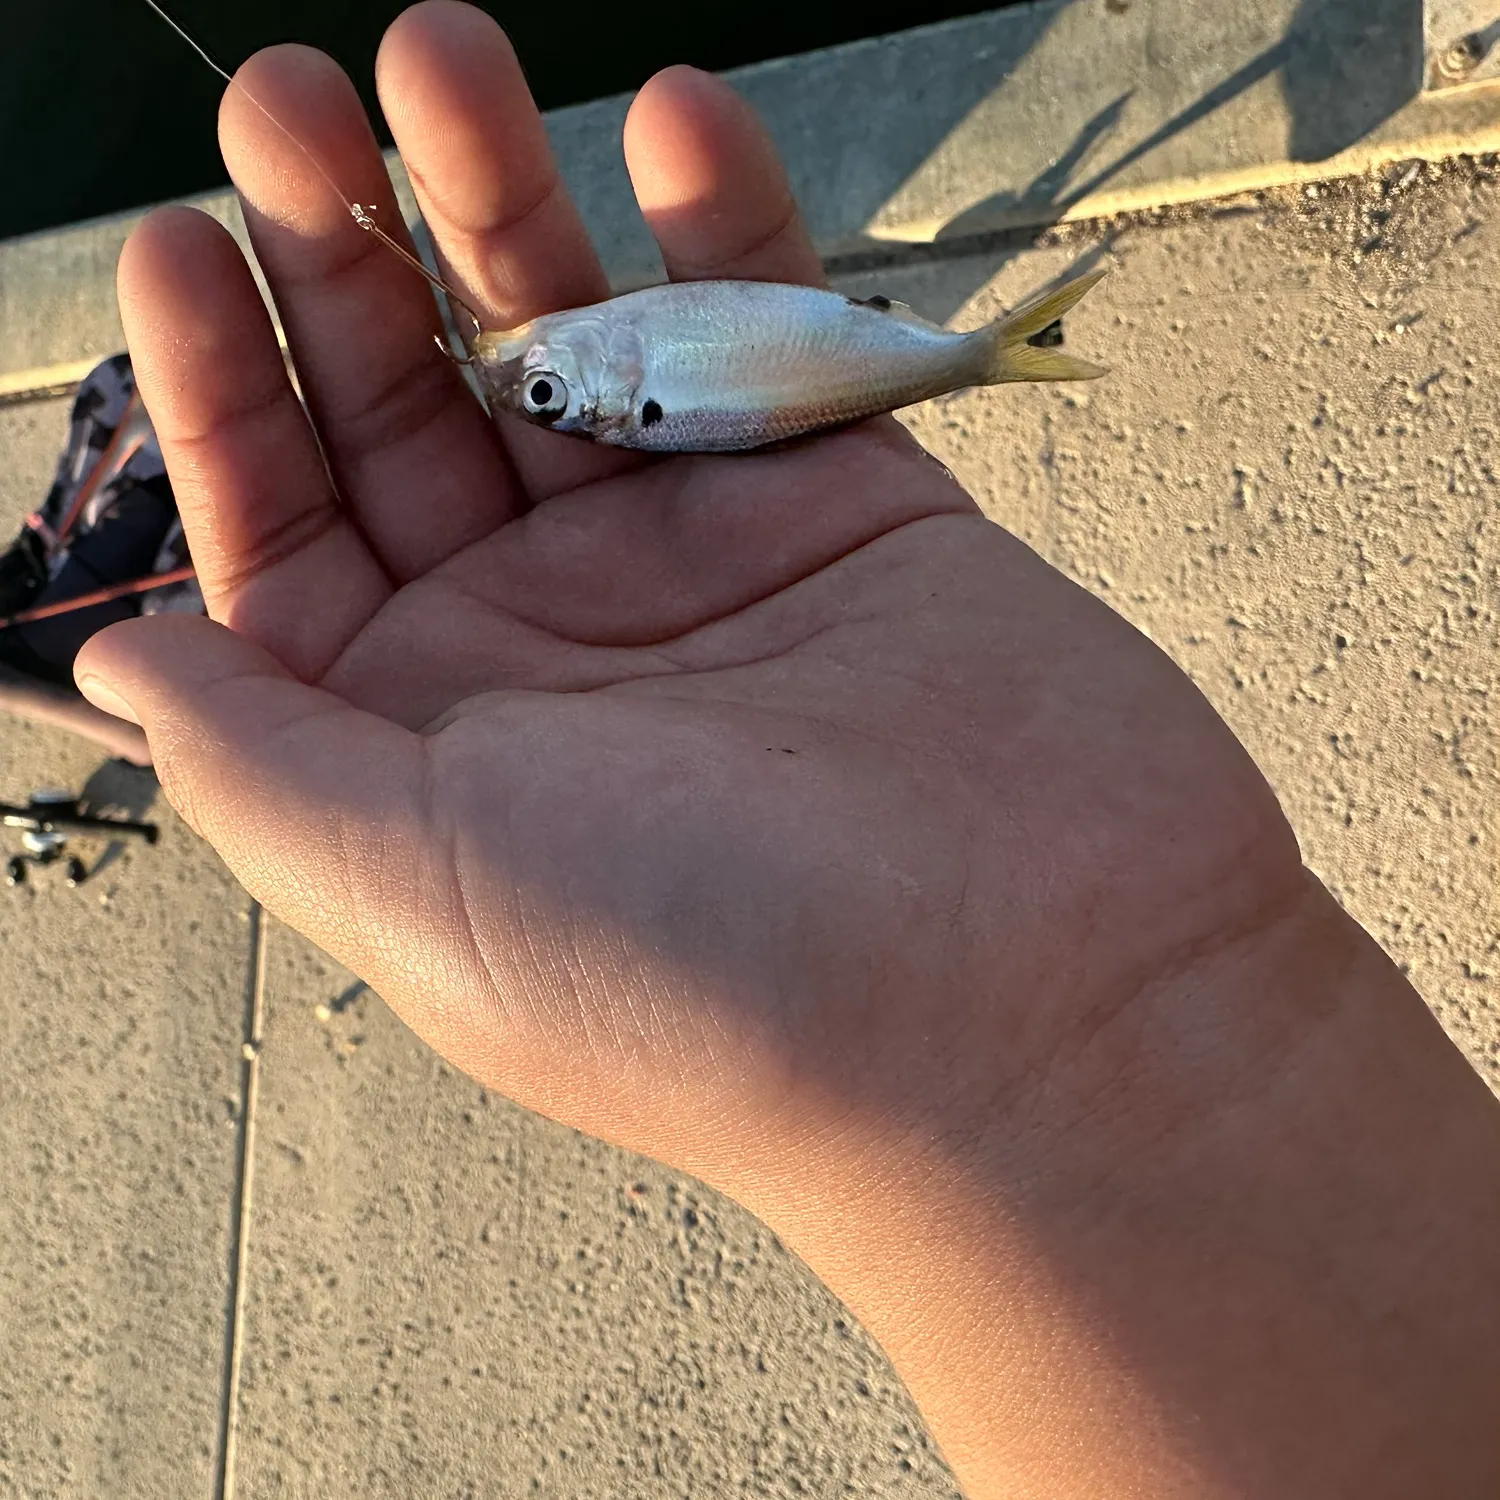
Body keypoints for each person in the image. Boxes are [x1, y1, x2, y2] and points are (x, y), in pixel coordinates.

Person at [72, 4, 1499, 1494]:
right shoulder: (621, 380)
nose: (533, 384)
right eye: (548, 396)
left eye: (544, 396)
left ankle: (987, 356)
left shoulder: (614, 383)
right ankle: (991, 356)